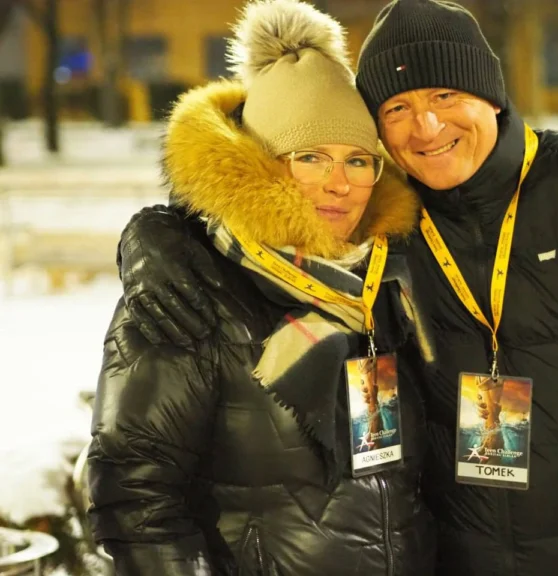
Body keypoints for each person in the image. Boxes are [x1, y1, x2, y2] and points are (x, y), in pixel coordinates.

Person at [110, 0, 558, 575]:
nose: (426, 127)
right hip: (461, 561)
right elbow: (243, 226)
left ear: (492, 97)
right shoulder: (387, 228)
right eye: (398, 108)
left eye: (446, 96)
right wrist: (161, 247)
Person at [86, 2, 436, 575]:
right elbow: (136, 500)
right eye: (311, 157)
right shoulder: (188, 290)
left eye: (358, 160)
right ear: (260, 166)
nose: (340, 183)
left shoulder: (387, 280)